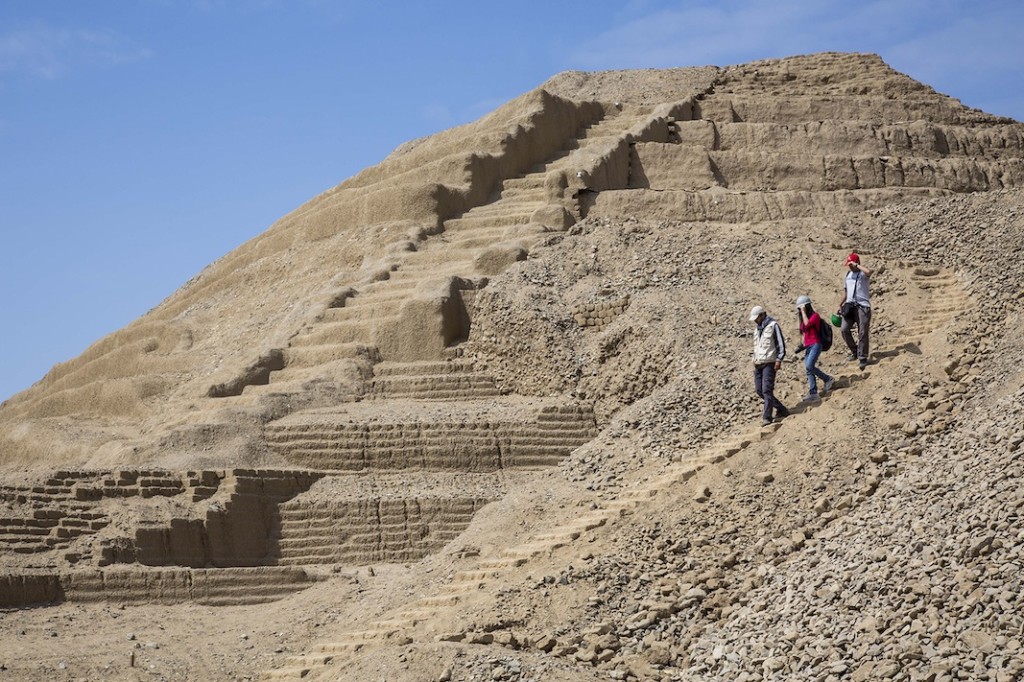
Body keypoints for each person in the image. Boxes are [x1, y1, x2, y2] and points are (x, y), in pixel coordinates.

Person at [750, 305, 789, 426]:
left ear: (762, 315)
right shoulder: (757, 330)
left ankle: (767, 417)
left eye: (757, 318)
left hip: (769, 362)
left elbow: (780, 344)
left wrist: (779, 360)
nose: (756, 320)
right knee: (759, 390)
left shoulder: (773, 326)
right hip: (758, 363)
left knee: (767, 390)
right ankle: (781, 409)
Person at [795, 295, 834, 402]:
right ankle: (813, 393)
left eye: (802, 308)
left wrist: (803, 312)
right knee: (808, 369)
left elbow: (807, 324)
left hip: (816, 344)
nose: (800, 310)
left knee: (809, 365)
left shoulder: (815, 316)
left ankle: (827, 379)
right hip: (808, 346)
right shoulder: (803, 319)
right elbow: (804, 331)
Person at [837, 252, 872, 370]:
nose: (849, 267)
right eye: (849, 264)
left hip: (862, 306)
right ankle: (855, 351)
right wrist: (839, 305)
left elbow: (869, 272)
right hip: (849, 306)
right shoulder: (848, 274)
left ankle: (862, 357)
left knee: (862, 332)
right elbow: (845, 292)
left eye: (851, 264)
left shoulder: (863, 274)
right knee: (844, 329)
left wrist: (857, 266)